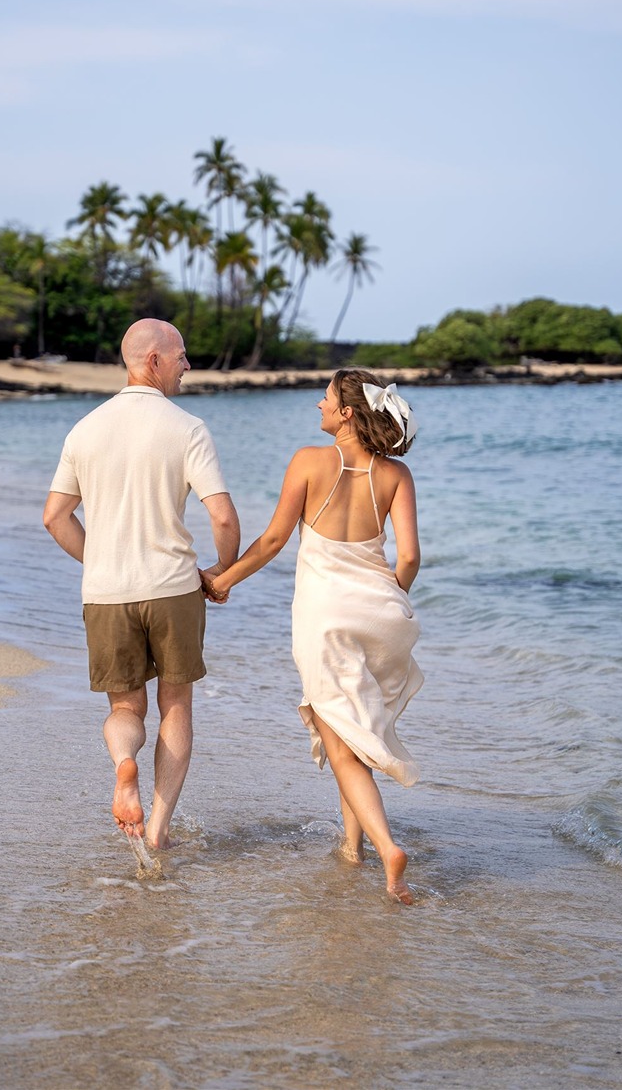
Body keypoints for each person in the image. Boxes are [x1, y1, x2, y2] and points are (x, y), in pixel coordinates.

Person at [204, 368, 423, 903]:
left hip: (324, 616)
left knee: (341, 742)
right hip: (383, 613)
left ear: (347, 413)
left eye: (325, 399)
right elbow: (410, 557)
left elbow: (275, 538)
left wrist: (221, 580)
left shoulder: (308, 461)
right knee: (355, 729)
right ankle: (353, 848)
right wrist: (388, 599)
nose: (317, 405)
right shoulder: (396, 475)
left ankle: (387, 845)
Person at [43, 319, 240, 850]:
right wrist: (222, 574)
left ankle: (124, 764)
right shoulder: (188, 427)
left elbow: (55, 517)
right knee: (176, 704)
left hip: (106, 592)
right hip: (173, 587)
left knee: (125, 710)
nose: (187, 365)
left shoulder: (84, 429)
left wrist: (99, 560)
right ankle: (157, 829)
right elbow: (221, 517)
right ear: (153, 360)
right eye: (180, 356)